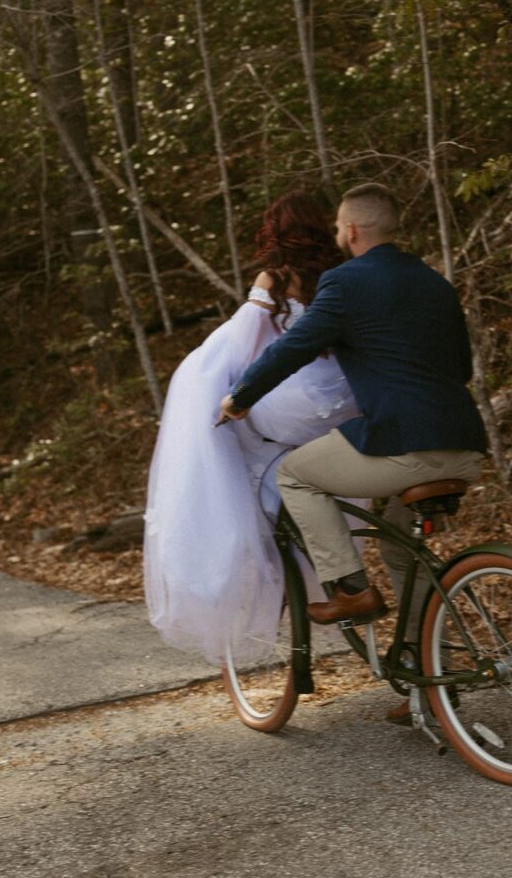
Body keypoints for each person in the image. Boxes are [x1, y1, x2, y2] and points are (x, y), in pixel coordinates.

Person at [219, 183, 487, 640]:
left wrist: (241, 397)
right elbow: (461, 366)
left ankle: (350, 589)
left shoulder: (345, 282)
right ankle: (426, 680)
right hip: (465, 445)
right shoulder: (434, 282)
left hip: (405, 445)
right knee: (403, 553)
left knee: (296, 475)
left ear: (351, 230)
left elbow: (294, 347)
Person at [144, 194, 363, 666]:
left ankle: (259, 544)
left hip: (296, 396)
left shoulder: (275, 278)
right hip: (345, 397)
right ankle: (301, 546)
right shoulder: (340, 272)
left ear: (275, 233)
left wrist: (220, 387)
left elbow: (245, 342)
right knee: (281, 450)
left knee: (229, 430)